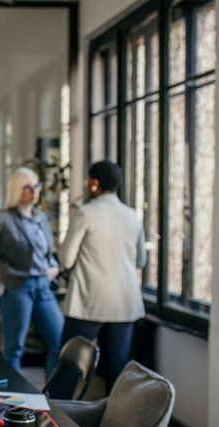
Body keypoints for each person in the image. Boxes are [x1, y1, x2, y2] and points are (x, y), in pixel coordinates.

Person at [57, 160, 146, 393]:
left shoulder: (85, 213)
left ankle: (56, 421)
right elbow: (141, 261)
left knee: (69, 366)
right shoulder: (132, 216)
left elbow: (66, 259)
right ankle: (114, 424)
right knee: (117, 370)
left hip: (89, 302)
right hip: (124, 305)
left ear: (94, 183)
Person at [0, 167, 63, 377]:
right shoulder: (3, 218)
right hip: (18, 287)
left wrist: (53, 265)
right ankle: (12, 402)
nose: (34, 192)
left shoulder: (41, 217)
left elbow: (47, 250)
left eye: (36, 186)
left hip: (43, 286)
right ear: (17, 190)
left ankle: (54, 397)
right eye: (27, 187)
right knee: (14, 348)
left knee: (59, 340)